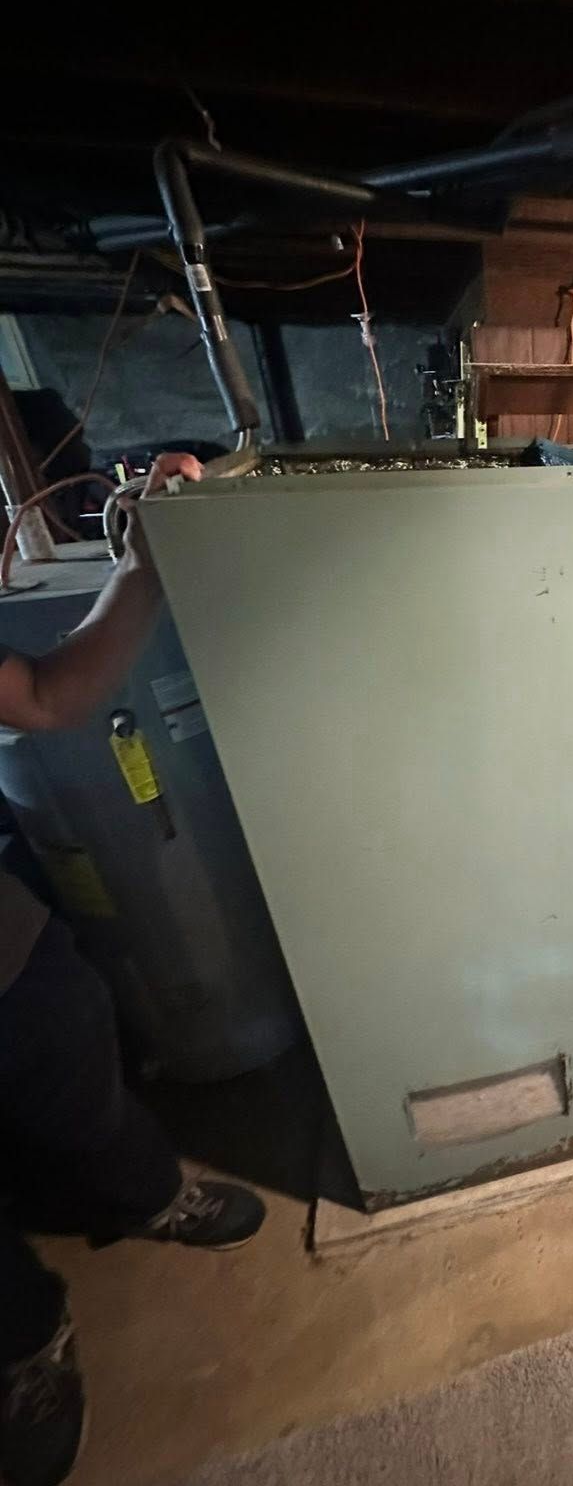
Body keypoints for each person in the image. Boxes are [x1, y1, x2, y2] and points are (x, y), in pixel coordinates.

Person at [0, 454, 266, 1486]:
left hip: (6, 945)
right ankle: (26, 1344)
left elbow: (47, 693)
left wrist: (145, 568)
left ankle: (151, 1193)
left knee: (75, 1060)